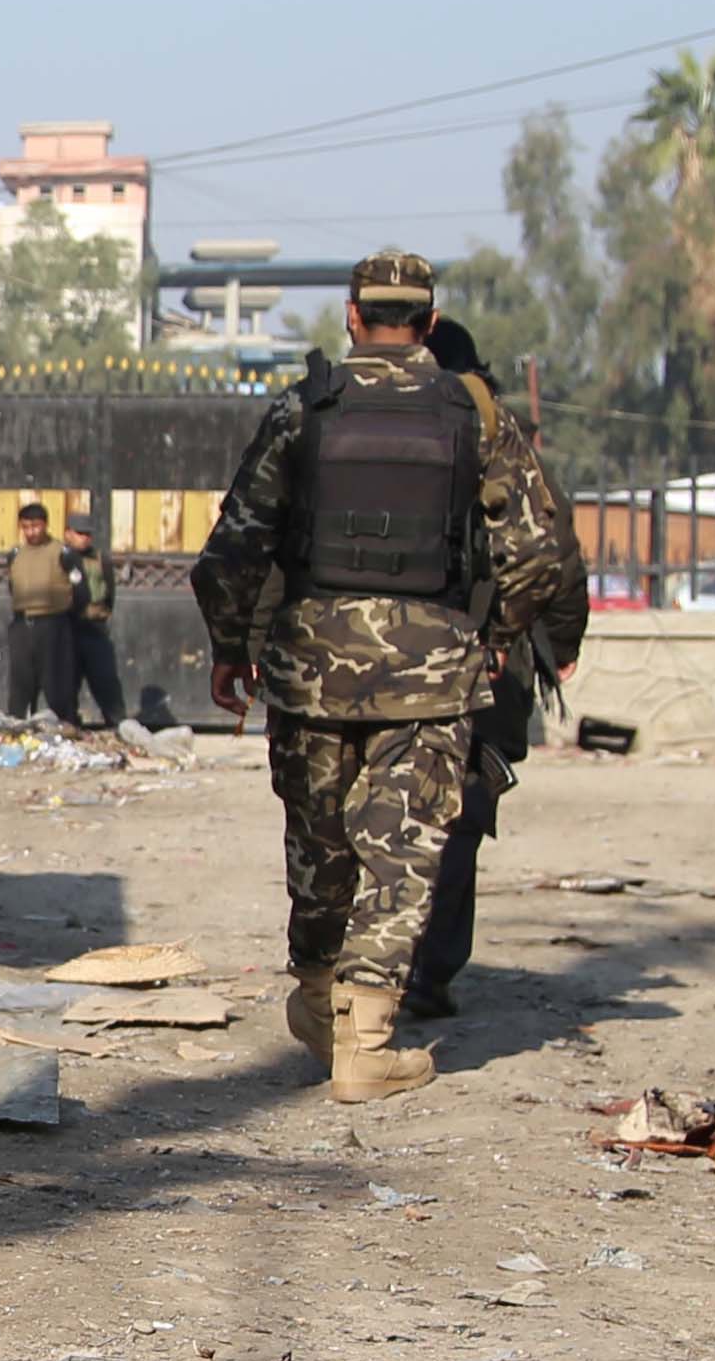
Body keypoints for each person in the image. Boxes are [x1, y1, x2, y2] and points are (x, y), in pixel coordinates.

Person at [193, 251, 583, 1100]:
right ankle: (367, 1040)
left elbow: (232, 548)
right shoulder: (472, 416)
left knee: (320, 843)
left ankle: (317, 996)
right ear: (431, 323)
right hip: (430, 674)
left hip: (310, 673)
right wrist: (494, 635)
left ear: (351, 316)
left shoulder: (305, 409)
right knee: (403, 852)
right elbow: (541, 552)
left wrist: (233, 646)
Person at [405, 308, 592, 1020]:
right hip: (488, 657)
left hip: (384, 654)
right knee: (461, 808)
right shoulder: (502, 438)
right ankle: (430, 970)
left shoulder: (373, 423)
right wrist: (555, 643)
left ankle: (374, 967)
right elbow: (555, 551)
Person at [1, 500, 79, 719]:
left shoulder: (62, 553)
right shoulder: (16, 554)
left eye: (36, 526)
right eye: (26, 527)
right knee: (21, 681)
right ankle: (17, 723)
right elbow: (12, 586)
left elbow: (79, 589)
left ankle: (64, 724)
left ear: (45, 525)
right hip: (22, 624)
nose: (31, 532)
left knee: (56, 681)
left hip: (53, 623)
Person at [66, 516, 131, 732]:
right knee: (68, 681)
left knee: (105, 679)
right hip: (68, 627)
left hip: (95, 627)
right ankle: (69, 724)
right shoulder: (62, 558)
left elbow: (109, 591)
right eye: (79, 533)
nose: (84, 538)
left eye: (87, 534)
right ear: (68, 533)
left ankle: (117, 724)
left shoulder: (100, 559)